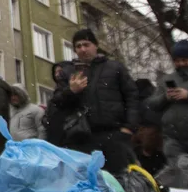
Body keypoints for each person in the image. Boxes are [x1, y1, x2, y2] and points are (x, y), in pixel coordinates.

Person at [51, 28, 140, 173]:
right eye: (78, 46)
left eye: (86, 44)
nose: (82, 49)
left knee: (118, 180)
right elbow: (57, 103)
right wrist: (71, 91)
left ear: (95, 46)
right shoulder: (69, 72)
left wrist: (129, 128)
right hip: (81, 137)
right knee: (87, 181)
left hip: (113, 134)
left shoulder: (114, 68)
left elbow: (132, 97)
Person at [42, 61, 74, 146]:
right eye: (55, 72)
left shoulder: (74, 89)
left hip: (69, 135)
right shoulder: (56, 91)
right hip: (55, 135)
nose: (56, 75)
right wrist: (46, 119)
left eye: (60, 71)